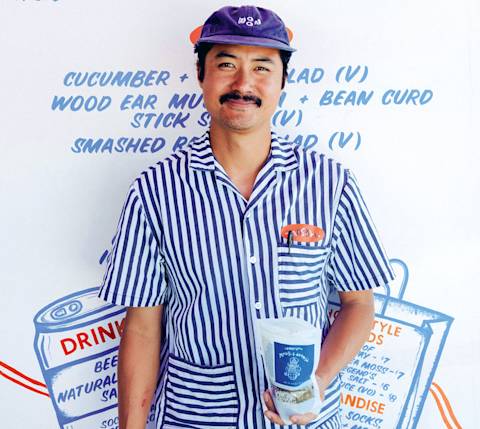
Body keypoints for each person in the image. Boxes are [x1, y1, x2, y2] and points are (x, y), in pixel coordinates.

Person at [98, 5, 395, 429]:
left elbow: (359, 304)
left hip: (303, 420)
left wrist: (318, 380)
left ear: (282, 80)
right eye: (226, 65)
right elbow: (143, 329)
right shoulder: (154, 191)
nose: (243, 84)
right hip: (196, 418)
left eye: (261, 67)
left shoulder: (329, 184)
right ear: (201, 75)